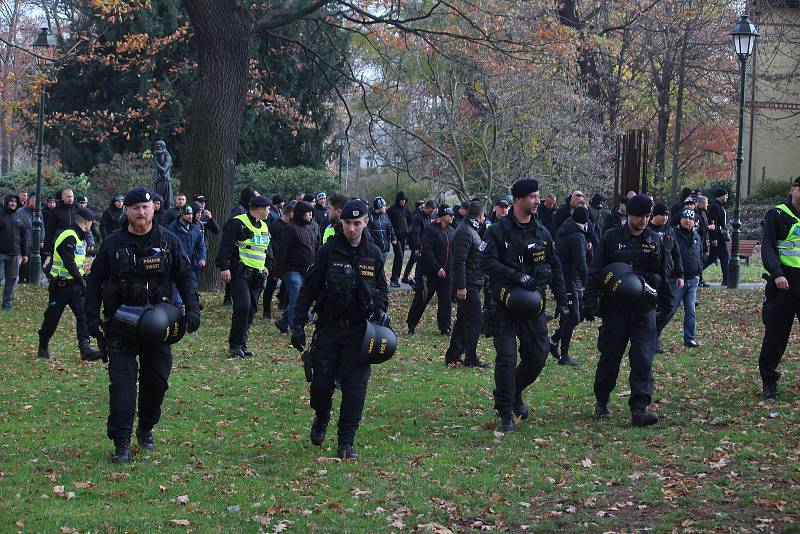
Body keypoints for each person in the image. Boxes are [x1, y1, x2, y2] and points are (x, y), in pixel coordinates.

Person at [85, 188, 201, 464]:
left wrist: (193, 308)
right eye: (135, 207)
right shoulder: (112, 244)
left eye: (145, 207)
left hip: (157, 326)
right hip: (121, 326)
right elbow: (94, 283)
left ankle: (146, 427)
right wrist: (91, 319)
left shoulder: (169, 242)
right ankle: (122, 442)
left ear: (154, 209)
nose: (141, 212)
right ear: (126, 210)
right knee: (122, 387)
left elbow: (185, 277)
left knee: (156, 383)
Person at [291, 198, 390, 460]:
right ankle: (322, 415)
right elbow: (308, 289)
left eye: (357, 223)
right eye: (347, 223)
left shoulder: (374, 254)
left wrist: (382, 311)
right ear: (341, 223)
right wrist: (298, 322)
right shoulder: (328, 251)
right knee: (321, 387)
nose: (352, 229)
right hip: (329, 329)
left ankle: (346, 442)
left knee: (355, 388)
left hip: (360, 332)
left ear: (366, 222)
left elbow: (381, 289)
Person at [480, 178, 568, 431]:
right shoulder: (497, 231)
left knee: (538, 357)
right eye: (532, 197)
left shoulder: (542, 232)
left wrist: (563, 301)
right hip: (504, 305)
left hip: (534, 307)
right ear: (518, 199)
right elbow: (484, 262)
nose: (537, 201)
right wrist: (514, 275)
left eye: (537, 196)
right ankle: (506, 411)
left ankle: (514, 391)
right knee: (506, 358)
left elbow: (556, 266)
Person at [582, 193, 671, 427]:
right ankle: (602, 399)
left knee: (643, 358)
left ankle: (639, 407)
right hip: (616, 308)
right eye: (639, 215)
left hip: (644, 308)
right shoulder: (612, 238)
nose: (643, 220)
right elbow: (596, 270)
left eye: (647, 216)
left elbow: (664, 272)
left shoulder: (654, 239)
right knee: (610, 358)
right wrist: (589, 300)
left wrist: (665, 299)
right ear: (628, 214)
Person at [37, 207, 102, 360]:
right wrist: (82, 280)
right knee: (52, 317)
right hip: (60, 286)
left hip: (74, 286)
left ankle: (85, 349)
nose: (91, 225)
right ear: (86, 222)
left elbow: (77, 264)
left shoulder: (81, 238)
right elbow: (69, 262)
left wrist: (83, 279)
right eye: (91, 222)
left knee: (83, 315)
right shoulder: (69, 235)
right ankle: (43, 345)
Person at [757, 176, 800, 400]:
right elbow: (768, 246)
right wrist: (777, 273)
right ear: (793, 189)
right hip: (783, 283)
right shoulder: (778, 214)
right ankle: (769, 380)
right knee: (776, 334)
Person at [216, 196, 271, 357]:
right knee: (243, 306)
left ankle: (242, 343)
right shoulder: (237, 223)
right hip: (240, 273)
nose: (269, 211)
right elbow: (225, 247)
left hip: (258, 276)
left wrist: (268, 268)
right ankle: (235, 345)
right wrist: (224, 267)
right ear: (260, 209)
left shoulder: (265, 227)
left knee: (251, 310)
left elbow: (268, 250)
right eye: (267, 208)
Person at [445, 201, 487, 367]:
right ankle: (471, 358)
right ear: (480, 215)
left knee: (463, 320)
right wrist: (461, 286)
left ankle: (454, 355)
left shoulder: (470, 230)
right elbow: (460, 262)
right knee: (474, 320)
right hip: (468, 284)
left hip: (472, 282)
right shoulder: (465, 232)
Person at [549, 205, 589, 366]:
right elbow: (580, 262)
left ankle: (553, 341)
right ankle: (563, 354)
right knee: (573, 316)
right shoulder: (576, 236)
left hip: (568, 278)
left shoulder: (568, 227)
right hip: (567, 279)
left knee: (578, 314)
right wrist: (589, 282)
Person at [407, 205, 456, 335]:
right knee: (422, 299)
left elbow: (453, 252)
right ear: (442, 216)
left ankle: (445, 327)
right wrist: (437, 268)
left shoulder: (452, 231)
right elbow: (427, 252)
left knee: (445, 301)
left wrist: (451, 268)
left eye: (453, 215)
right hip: (429, 272)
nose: (452, 217)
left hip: (446, 273)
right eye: (449, 215)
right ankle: (411, 324)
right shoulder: (430, 230)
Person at [274, 201, 318, 334]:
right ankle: (295, 328)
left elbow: (314, 248)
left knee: (298, 298)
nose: (310, 214)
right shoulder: (290, 229)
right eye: (307, 212)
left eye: (311, 212)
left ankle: (283, 322)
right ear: (300, 213)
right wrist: (278, 271)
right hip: (291, 269)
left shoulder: (309, 228)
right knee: (297, 298)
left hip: (306, 270)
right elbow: (282, 251)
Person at [649, 202, 684, 353]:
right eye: (662, 215)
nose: (665, 218)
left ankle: (655, 331)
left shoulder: (669, 231)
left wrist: (680, 273)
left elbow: (676, 253)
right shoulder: (647, 231)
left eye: (667, 215)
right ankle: (650, 337)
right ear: (654, 215)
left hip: (668, 275)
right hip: (651, 276)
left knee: (669, 307)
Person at [671, 209, 703, 348]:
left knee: (691, 311)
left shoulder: (697, 236)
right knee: (670, 309)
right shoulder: (673, 234)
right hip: (677, 279)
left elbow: (700, 254)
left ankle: (689, 338)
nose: (687, 220)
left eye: (690, 218)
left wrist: (699, 272)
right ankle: (655, 334)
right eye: (685, 218)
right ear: (680, 219)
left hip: (693, 279)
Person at [167, 204, 207, 304]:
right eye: (187, 214)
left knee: (191, 291)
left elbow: (201, 245)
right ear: (182, 215)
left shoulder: (195, 229)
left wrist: (202, 258)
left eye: (191, 214)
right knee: (177, 298)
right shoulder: (172, 229)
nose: (190, 216)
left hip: (192, 264)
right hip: (177, 265)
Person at [263, 200, 295, 320]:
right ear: (291, 214)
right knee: (270, 287)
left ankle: (284, 308)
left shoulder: (291, 226)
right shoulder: (276, 226)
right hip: (275, 262)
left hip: (287, 262)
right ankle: (266, 312)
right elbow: (274, 246)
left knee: (287, 287)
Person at [0, 194, 29, 311]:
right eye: (10, 201)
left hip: (15, 254)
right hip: (1, 253)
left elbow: (24, 236)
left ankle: (7, 303)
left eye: (15, 202)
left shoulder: (20, 217)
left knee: (12, 279)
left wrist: (25, 253)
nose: (13, 203)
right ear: (6, 202)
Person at [403, 200, 436, 287]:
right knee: (417, 263)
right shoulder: (417, 218)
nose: (431, 213)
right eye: (430, 211)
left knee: (421, 264)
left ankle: (414, 280)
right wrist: (417, 247)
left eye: (433, 211)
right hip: (419, 245)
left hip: (428, 245)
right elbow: (415, 233)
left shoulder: (432, 216)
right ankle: (411, 279)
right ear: (425, 208)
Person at [704, 188, 730, 286]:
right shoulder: (715, 207)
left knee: (712, 257)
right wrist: (713, 238)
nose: (727, 198)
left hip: (719, 237)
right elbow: (712, 222)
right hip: (718, 237)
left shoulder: (718, 206)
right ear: (721, 196)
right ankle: (726, 279)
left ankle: (697, 272)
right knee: (724, 256)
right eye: (725, 196)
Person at [387, 191, 411, 287]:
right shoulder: (392, 210)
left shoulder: (406, 211)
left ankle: (395, 279)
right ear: (398, 200)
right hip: (395, 237)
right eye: (401, 200)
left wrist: (408, 231)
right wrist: (391, 236)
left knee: (400, 258)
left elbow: (410, 222)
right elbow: (388, 223)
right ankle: (394, 279)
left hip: (404, 237)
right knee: (399, 257)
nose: (403, 202)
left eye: (404, 200)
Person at [44, 187, 77, 255]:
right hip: (59, 243)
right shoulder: (56, 211)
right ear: (63, 197)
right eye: (68, 197)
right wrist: (47, 246)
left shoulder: (77, 209)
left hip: (74, 242)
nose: (70, 199)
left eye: (72, 196)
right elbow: (50, 229)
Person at [368, 196, 396, 264]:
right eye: (384, 206)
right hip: (375, 250)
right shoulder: (370, 216)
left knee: (381, 268)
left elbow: (390, 227)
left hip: (385, 249)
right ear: (379, 206)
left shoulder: (385, 215)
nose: (385, 207)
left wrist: (393, 238)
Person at [695, 195, 711, 287]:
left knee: (703, 258)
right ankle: (699, 278)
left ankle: (700, 277)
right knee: (700, 259)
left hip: (703, 240)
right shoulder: (698, 215)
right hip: (700, 240)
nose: (707, 204)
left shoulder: (704, 214)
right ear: (700, 204)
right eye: (706, 203)